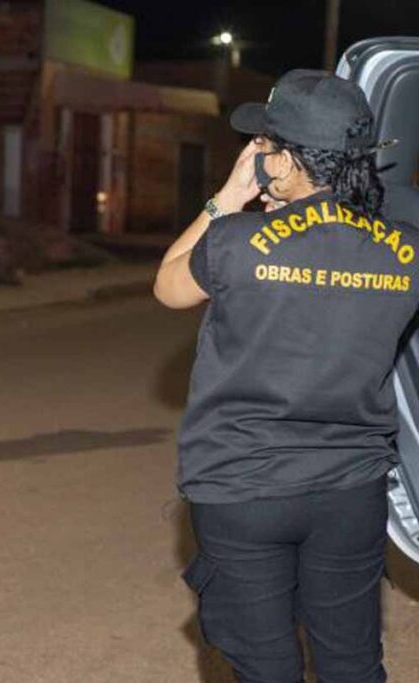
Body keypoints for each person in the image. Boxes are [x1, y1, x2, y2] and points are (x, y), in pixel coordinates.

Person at [155, 70, 417, 682]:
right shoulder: (404, 251)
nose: (259, 155)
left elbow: (168, 287)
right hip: (350, 493)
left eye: (265, 146)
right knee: (352, 665)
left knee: (266, 669)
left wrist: (228, 196)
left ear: (288, 161)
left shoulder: (237, 240)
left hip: (241, 489)